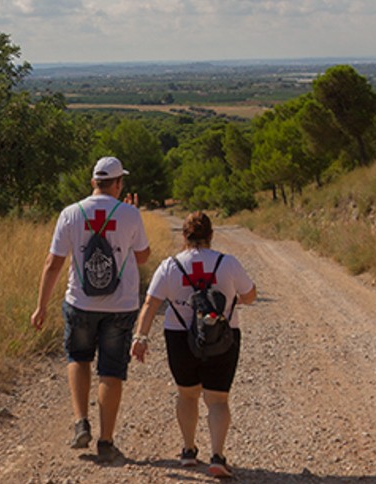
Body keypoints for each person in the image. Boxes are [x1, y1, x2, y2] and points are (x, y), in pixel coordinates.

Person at [31, 156, 151, 463]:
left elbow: (53, 263)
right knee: (111, 372)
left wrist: (41, 306)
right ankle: (106, 441)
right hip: (121, 306)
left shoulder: (70, 213)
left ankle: (80, 421)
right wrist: (133, 220)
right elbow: (142, 258)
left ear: (93, 182)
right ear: (119, 183)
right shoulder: (129, 214)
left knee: (78, 357)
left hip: (79, 302)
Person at [130, 211, 256, 479]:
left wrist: (140, 337)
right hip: (223, 336)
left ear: (184, 236)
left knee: (187, 394)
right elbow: (250, 295)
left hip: (179, 338)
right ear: (211, 235)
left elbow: (151, 304)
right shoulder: (227, 262)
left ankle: (188, 451)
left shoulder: (170, 266)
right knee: (218, 399)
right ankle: (217, 457)